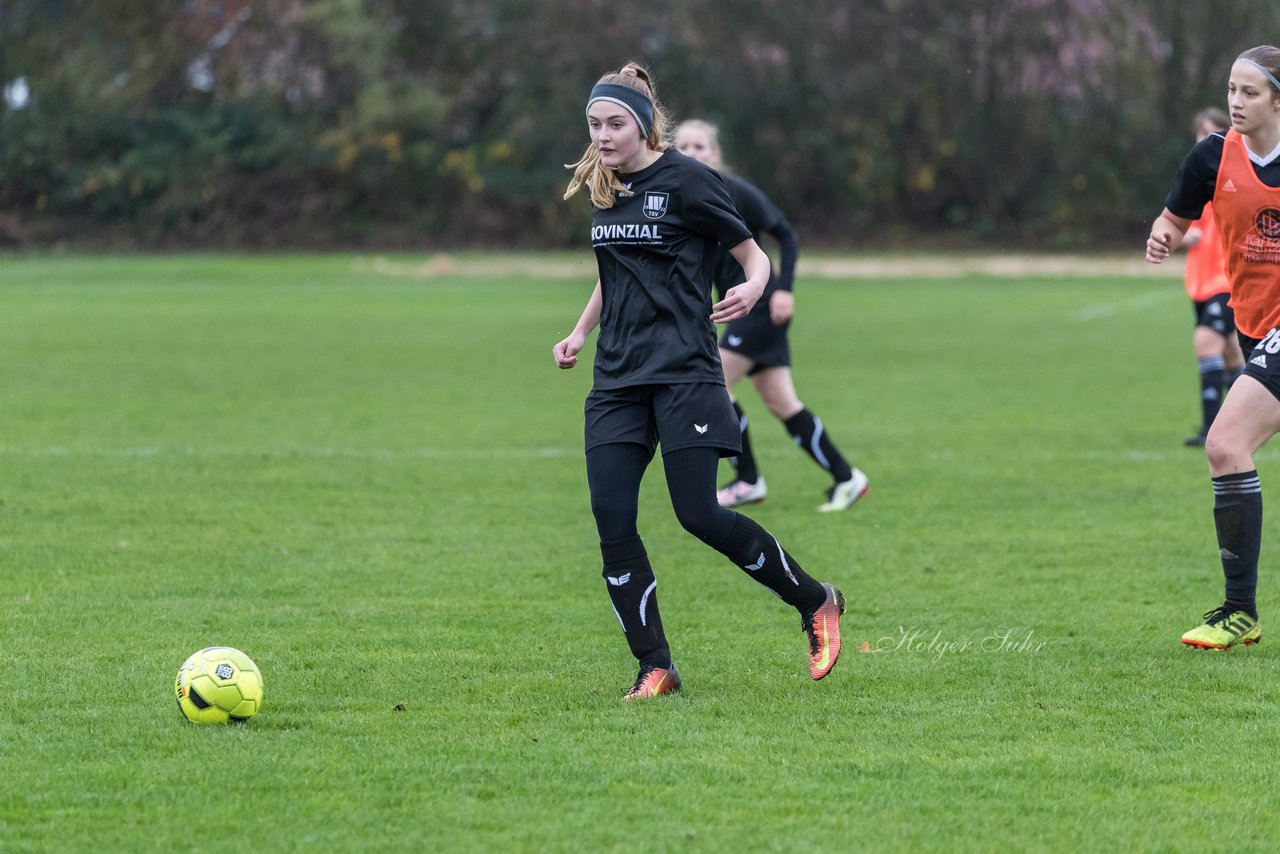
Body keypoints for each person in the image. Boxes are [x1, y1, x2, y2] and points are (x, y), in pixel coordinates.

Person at [553, 62, 847, 699]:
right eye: (594, 125)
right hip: (617, 379)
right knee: (611, 517)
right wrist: (579, 332)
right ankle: (654, 665)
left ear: (644, 124)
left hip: (685, 372)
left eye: (614, 124)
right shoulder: (608, 186)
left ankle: (816, 601)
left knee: (698, 515)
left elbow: (753, 252)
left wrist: (754, 289)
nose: (602, 136)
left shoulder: (689, 180)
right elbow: (612, 271)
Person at [1146, 45, 1280, 650]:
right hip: (1253, 324)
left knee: (1225, 444)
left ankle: (1238, 609)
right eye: (1231, 88)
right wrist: (1163, 235)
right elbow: (1174, 218)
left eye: (1250, 92)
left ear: (1277, 100)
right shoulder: (1211, 156)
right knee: (1231, 449)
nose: (1236, 101)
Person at [673, 119, 870, 512]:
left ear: (716, 154)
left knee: (715, 389)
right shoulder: (684, 195)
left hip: (760, 306)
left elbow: (786, 234)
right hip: (739, 311)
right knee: (783, 404)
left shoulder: (735, 190)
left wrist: (784, 288)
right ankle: (847, 477)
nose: (692, 154)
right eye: (684, 147)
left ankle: (747, 480)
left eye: (700, 147)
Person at [1179, 107, 1244, 447]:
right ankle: (1260, 414)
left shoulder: (1234, 174)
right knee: (1233, 356)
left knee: (1206, 342)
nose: (1202, 140)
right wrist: (1179, 235)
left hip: (1227, 281)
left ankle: (1211, 429)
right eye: (1198, 134)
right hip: (1199, 282)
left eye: (1210, 133)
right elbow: (1180, 220)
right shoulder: (1197, 177)